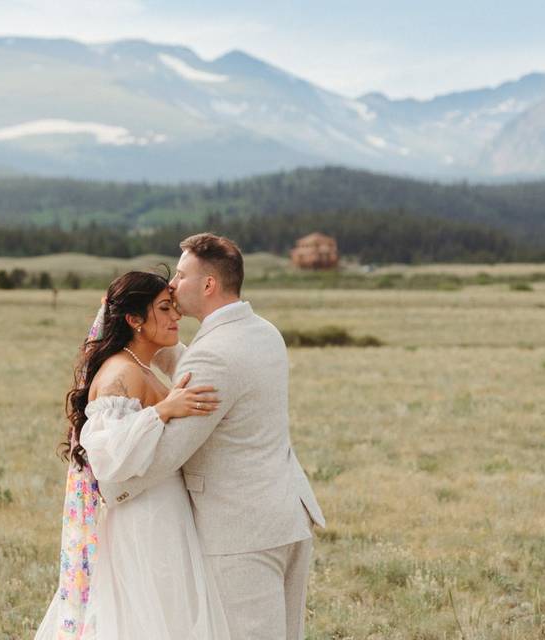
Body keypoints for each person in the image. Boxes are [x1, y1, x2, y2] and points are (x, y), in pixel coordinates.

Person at [99, 233, 326, 640]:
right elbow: (205, 367)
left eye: (181, 275)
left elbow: (169, 453)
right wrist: (144, 338)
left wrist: (107, 480)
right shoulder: (262, 331)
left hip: (240, 531)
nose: (172, 285)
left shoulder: (214, 354)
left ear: (208, 285)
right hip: (286, 516)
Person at [34, 270, 231, 640]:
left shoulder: (143, 365)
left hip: (164, 507)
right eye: (164, 308)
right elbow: (108, 458)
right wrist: (162, 411)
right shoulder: (119, 375)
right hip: (144, 515)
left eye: (174, 307)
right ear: (134, 320)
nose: (176, 317)